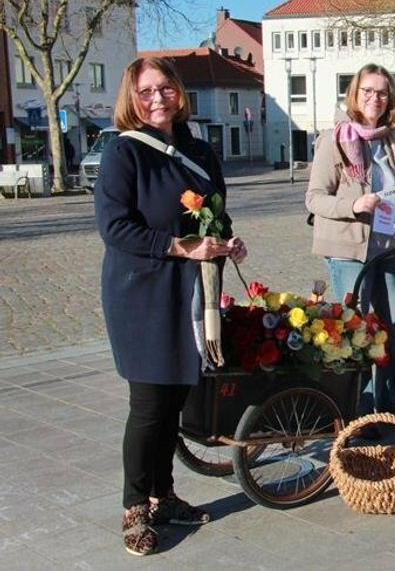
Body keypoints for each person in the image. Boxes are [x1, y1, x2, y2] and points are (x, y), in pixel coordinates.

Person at [95, 57, 248, 556]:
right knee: (148, 406)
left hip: (192, 293)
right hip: (141, 293)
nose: (157, 99)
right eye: (146, 92)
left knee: (175, 400)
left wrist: (228, 243)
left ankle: (164, 496)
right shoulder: (124, 153)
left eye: (165, 88)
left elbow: (216, 217)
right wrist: (181, 247)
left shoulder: (200, 149)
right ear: (132, 99)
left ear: (179, 92)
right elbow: (115, 228)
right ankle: (134, 507)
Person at [306, 63, 395, 414]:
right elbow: (314, 198)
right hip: (349, 252)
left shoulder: (391, 139)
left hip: (390, 249)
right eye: (367, 91)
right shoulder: (335, 140)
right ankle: (360, 413)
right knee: (359, 335)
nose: (375, 98)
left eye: (382, 92)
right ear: (355, 94)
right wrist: (354, 204)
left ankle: (392, 408)